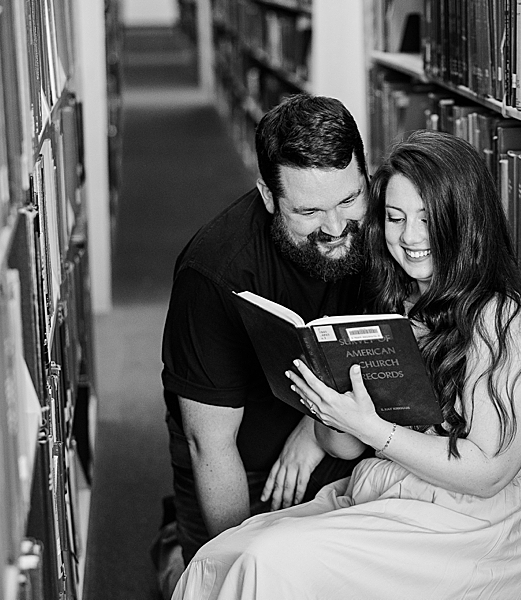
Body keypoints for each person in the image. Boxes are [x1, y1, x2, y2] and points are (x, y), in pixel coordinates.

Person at [170, 130, 521, 600]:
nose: (410, 238)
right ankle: (174, 553)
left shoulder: (502, 319)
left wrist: (374, 431)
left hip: (476, 527)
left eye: (428, 219)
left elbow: (486, 472)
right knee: (221, 557)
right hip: (394, 496)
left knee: (266, 563)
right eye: (395, 218)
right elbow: (347, 446)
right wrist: (327, 411)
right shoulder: (395, 300)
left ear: (465, 221)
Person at [156, 94, 371, 593]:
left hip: (340, 437)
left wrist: (313, 429)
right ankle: (172, 545)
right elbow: (209, 444)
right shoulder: (213, 272)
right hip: (240, 463)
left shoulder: (389, 223)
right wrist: (243, 566)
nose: (337, 228)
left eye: (348, 199)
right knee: (217, 584)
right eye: (310, 211)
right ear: (269, 197)